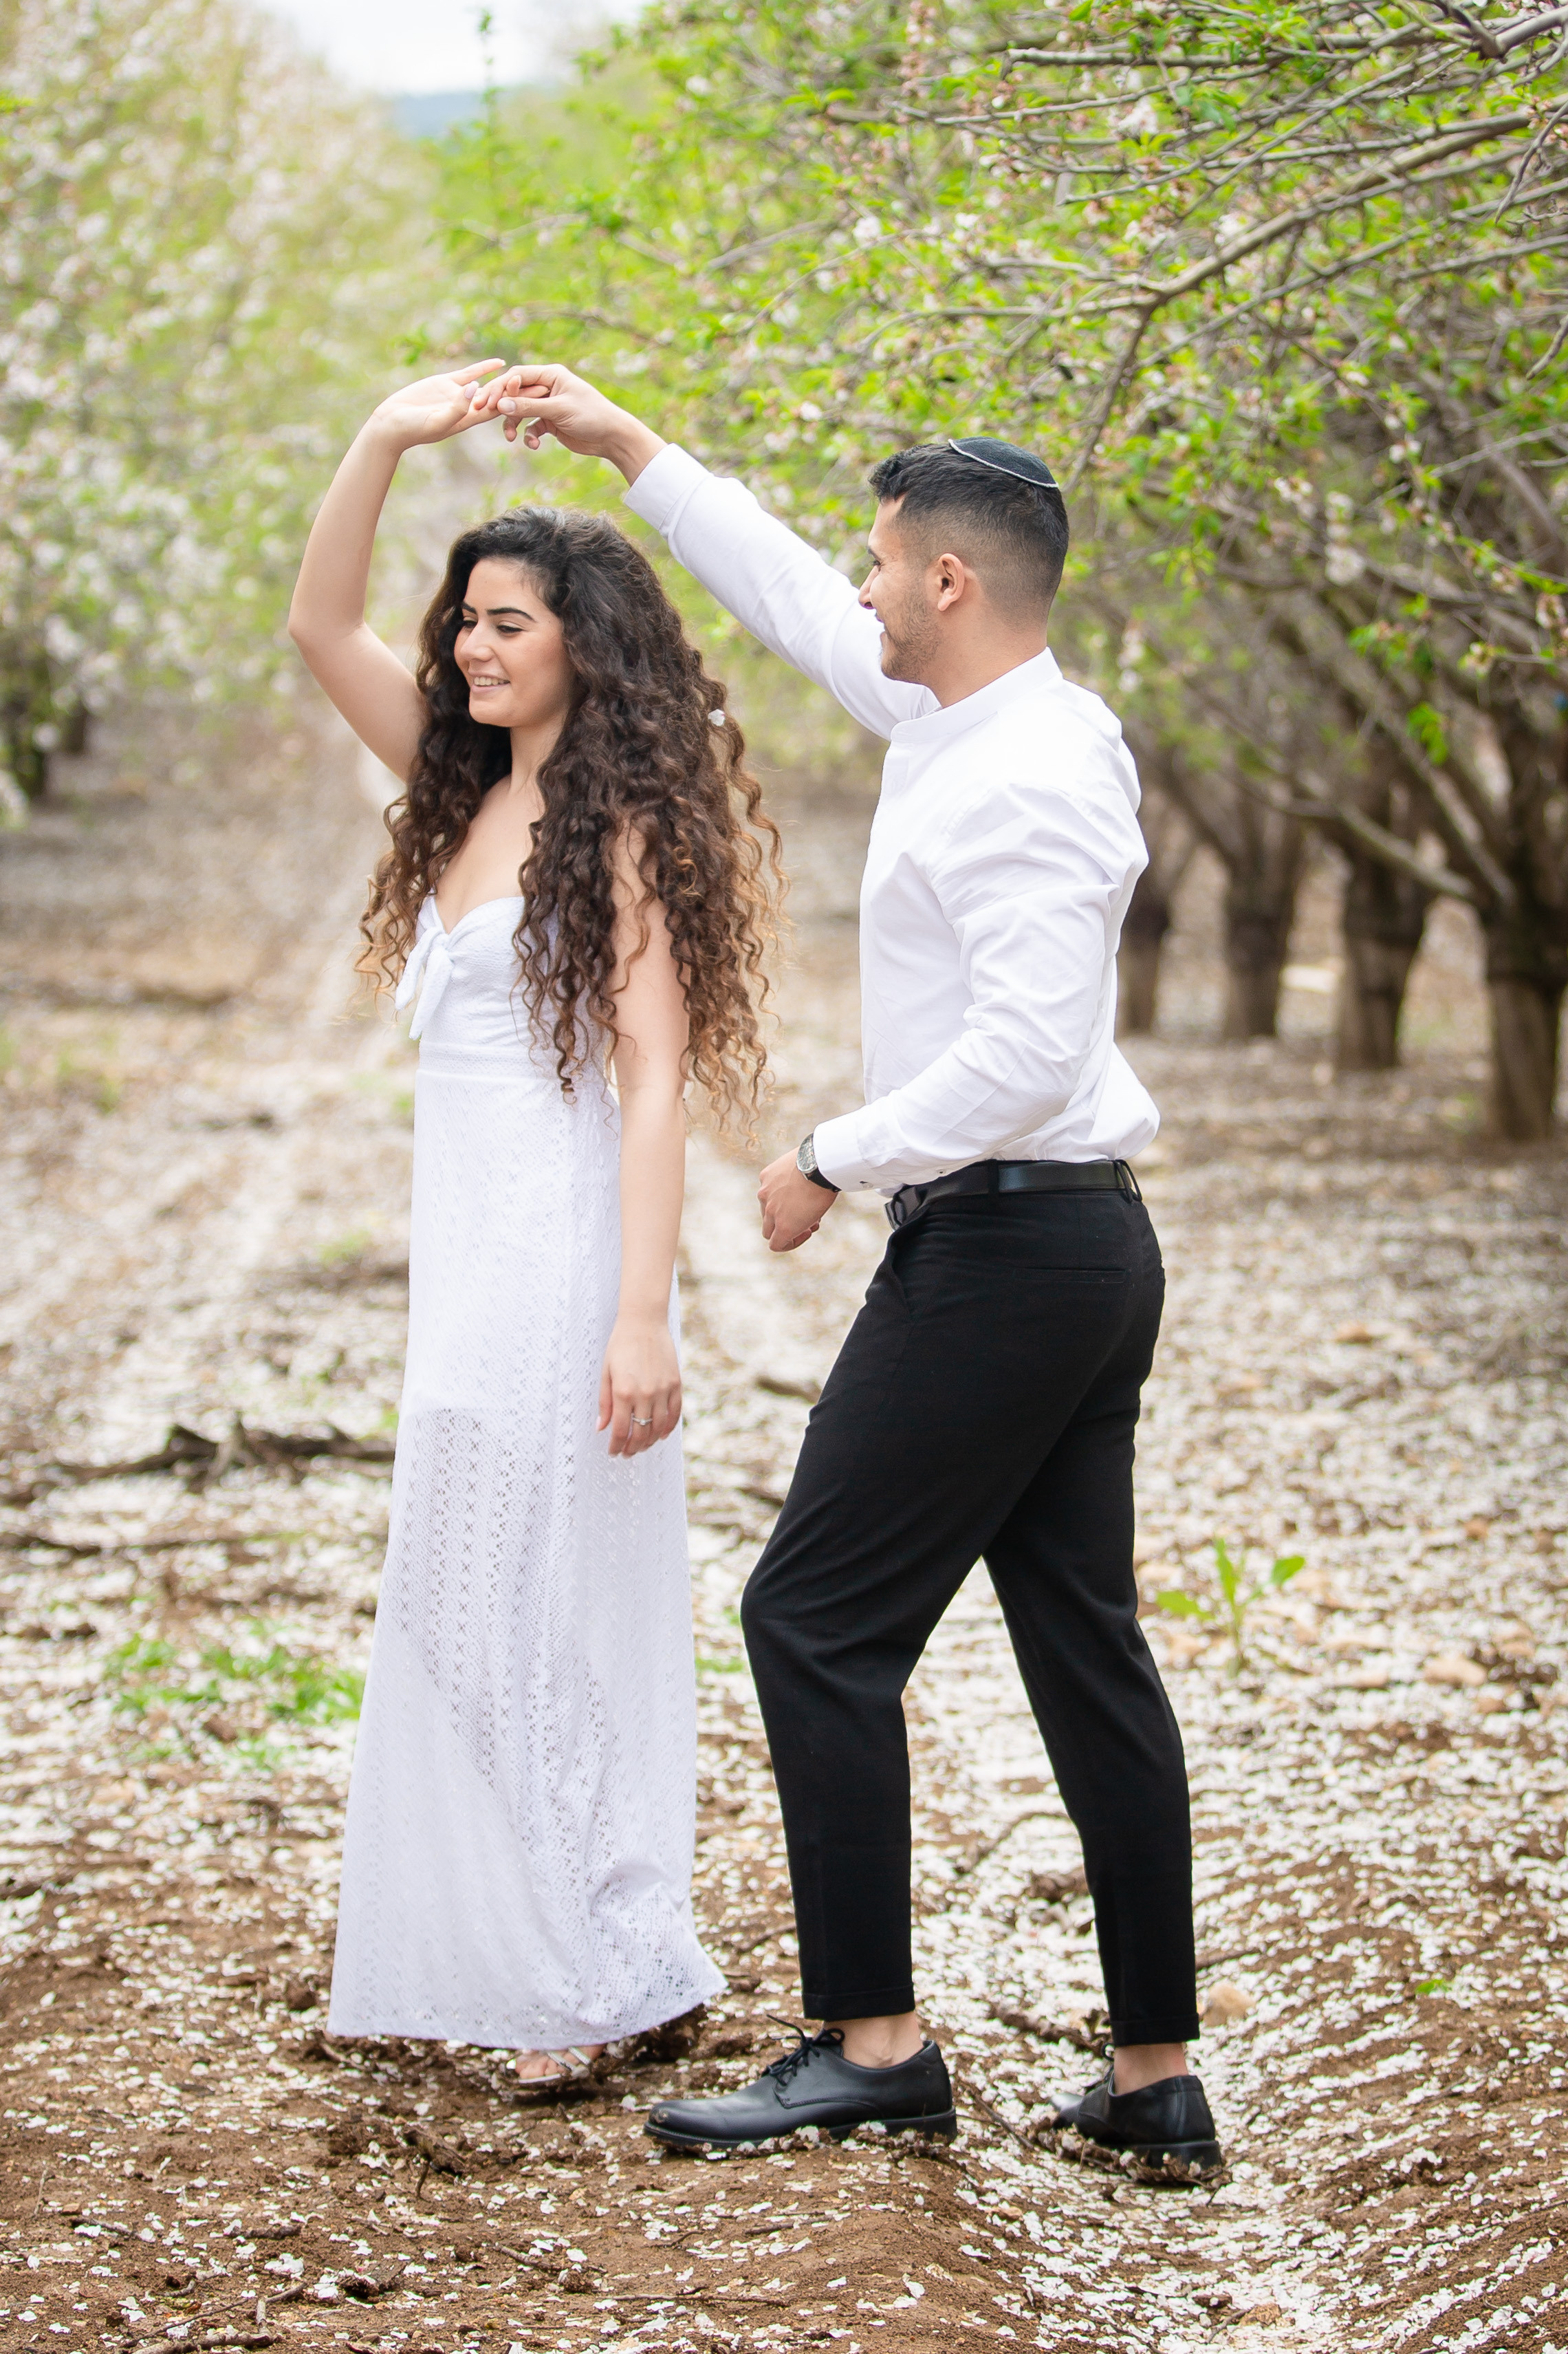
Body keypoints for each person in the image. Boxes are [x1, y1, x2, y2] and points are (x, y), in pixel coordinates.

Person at [463, 360, 1221, 2173]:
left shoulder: (1026, 774)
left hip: (1011, 1243)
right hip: (1058, 1244)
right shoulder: (1000, 717)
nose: (863, 587)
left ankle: (872, 2036)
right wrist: (633, 444)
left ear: (953, 583)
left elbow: (1030, 1054)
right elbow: (796, 603)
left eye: (887, 565)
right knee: (1085, 1646)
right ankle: (1153, 2072)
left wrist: (831, 1150)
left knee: (814, 1617)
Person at [288, 362, 779, 2086]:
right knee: (460, 1591)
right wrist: (386, 434)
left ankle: (598, 1956)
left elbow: (653, 1086)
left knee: (530, 1590)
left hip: (566, 1252)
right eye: (467, 624)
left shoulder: (619, 824)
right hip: (467, 1251)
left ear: (589, 642)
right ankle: (575, 1932)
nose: (473, 650)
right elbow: (316, 619)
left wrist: (642, 1314)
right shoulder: (459, 784)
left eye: (507, 624)